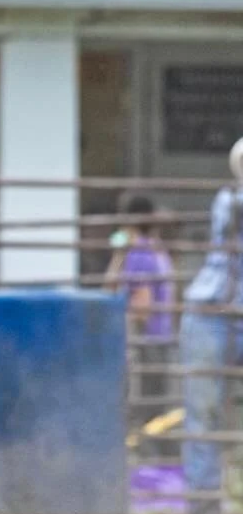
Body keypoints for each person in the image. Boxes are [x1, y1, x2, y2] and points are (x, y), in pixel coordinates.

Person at [180, 137, 243, 514]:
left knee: (204, 409)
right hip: (213, 308)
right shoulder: (230, 200)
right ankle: (202, 504)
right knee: (203, 408)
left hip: (216, 309)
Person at [104, 193, 176, 458]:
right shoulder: (155, 250)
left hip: (143, 342)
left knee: (140, 410)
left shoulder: (140, 254)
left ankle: (144, 468)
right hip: (160, 338)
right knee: (155, 410)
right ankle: (155, 466)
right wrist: (118, 256)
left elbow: (141, 307)